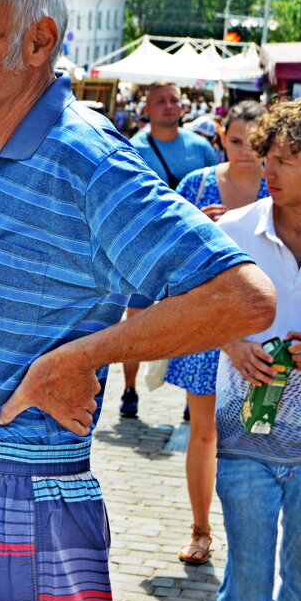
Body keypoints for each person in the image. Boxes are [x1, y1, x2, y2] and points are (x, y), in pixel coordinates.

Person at [0, 0, 275, 601]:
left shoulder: (85, 158)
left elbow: (243, 297)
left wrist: (83, 357)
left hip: (11, 490)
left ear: (39, 41)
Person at [212, 98, 301, 601]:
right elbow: (184, 306)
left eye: (284, 159)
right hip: (244, 437)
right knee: (246, 581)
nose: (266, 168)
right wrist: (232, 344)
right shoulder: (235, 231)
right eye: (266, 154)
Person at [164, 100, 269, 565]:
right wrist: (201, 228)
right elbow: (168, 250)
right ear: (222, 137)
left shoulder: (281, 187)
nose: (246, 151)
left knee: (258, 436)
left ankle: (254, 534)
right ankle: (201, 530)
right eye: (236, 140)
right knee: (203, 433)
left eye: (256, 141)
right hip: (207, 326)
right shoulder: (197, 184)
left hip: (265, 329)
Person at [119, 81, 220, 418]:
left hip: (190, 253)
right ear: (146, 109)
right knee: (135, 325)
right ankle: (129, 390)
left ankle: (193, 399)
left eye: (174, 100)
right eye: (160, 101)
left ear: (183, 107)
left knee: (194, 322)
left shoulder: (201, 147)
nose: (168, 106)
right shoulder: (133, 148)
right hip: (145, 254)